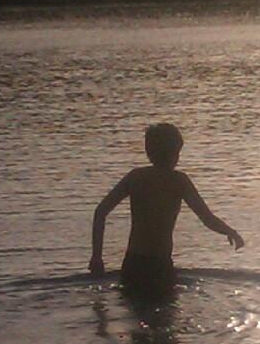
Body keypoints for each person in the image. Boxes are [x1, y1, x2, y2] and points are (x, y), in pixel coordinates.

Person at [89, 123, 244, 297]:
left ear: (148, 152)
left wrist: (97, 256)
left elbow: (101, 211)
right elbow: (206, 218)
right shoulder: (179, 181)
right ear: (174, 153)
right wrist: (231, 232)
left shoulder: (136, 178)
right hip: (161, 264)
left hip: (133, 263)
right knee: (164, 316)